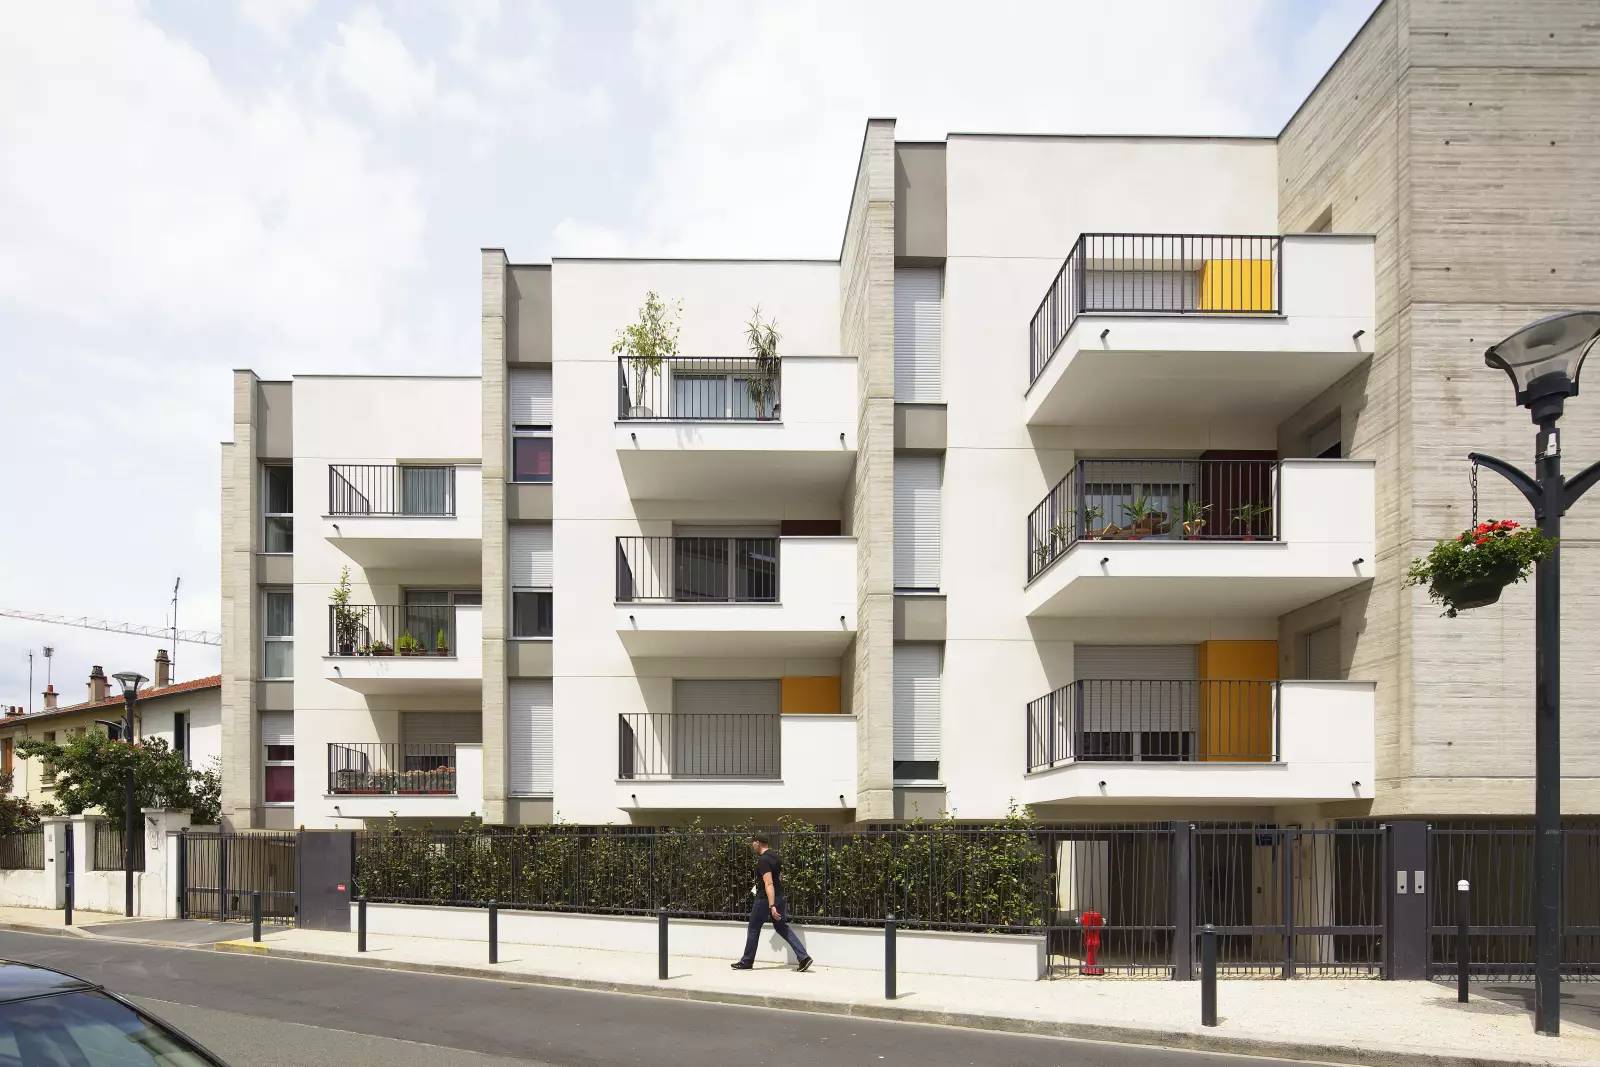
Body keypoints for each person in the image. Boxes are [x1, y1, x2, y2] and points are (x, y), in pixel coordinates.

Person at [730, 832, 812, 971]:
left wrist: (772, 905)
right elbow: (778, 878)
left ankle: (747, 961)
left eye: (753, 842)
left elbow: (769, 883)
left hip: (765, 899)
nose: (752, 845)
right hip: (779, 896)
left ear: (758, 843)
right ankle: (804, 957)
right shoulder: (776, 857)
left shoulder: (763, 860)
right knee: (781, 927)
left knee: (754, 928)